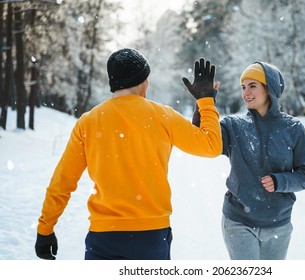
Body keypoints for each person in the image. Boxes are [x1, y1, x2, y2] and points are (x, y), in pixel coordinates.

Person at [34, 48, 222, 260]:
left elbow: (63, 181)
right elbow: (211, 145)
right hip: (152, 236)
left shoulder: (89, 121)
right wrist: (206, 102)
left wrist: (45, 229)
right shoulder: (162, 115)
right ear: (143, 81)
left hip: (104, 238)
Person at [193, 62, 305, 260]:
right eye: (243, 87)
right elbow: (203, 138)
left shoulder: (293, 128)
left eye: (253, 86)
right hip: (238, 221)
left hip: (279, 223)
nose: (246, 93)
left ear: (270, 89)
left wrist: (280, 182)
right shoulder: (233, 126)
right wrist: (204, 103)